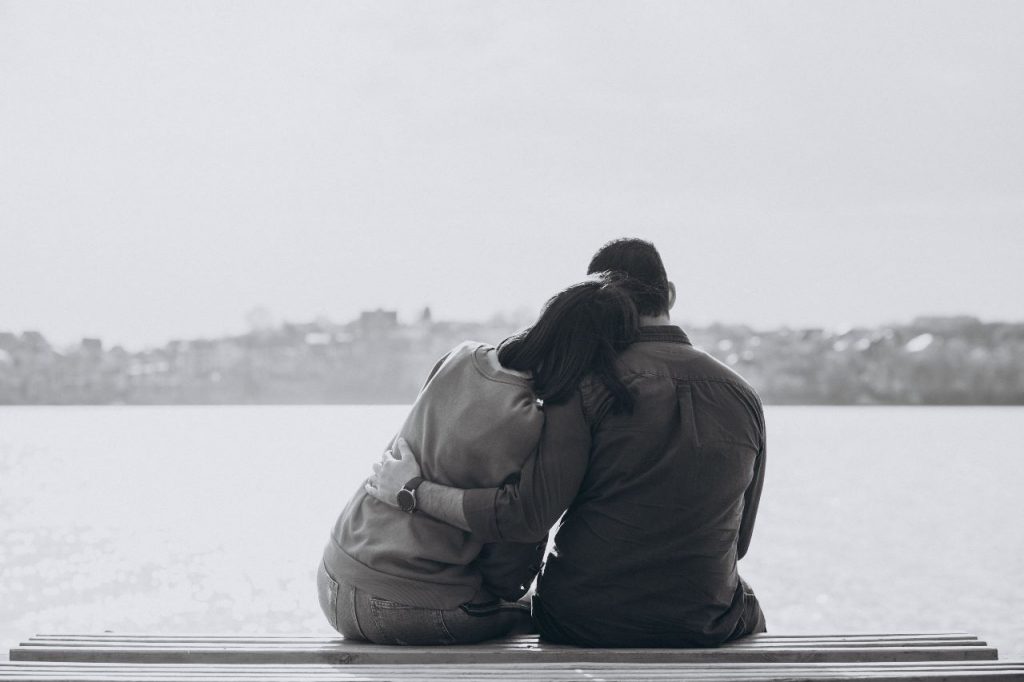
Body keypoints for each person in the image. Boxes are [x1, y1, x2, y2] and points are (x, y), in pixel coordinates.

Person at [367, 238, 767, 647]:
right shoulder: (743, 395)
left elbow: (527, 514)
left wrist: (413, 491)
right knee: (748, 605)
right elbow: (740, 543)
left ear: (600, 304)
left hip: (582, 619)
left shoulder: (588, 383)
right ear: (670, 295)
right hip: (702, 621)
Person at [318, 272, 639, 645]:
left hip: (334, 578)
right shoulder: (534, 422)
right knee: (546, 615)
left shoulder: (461, 355)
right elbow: (509, 563)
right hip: (408, 607)